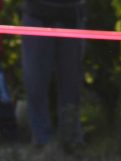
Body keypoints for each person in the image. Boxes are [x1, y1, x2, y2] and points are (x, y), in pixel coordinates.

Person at [20, 0, 86, 149]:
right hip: (37, 15)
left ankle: (71, 140)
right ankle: (41, 142)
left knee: (71, 85)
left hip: (72, 17)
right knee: (35, 83)